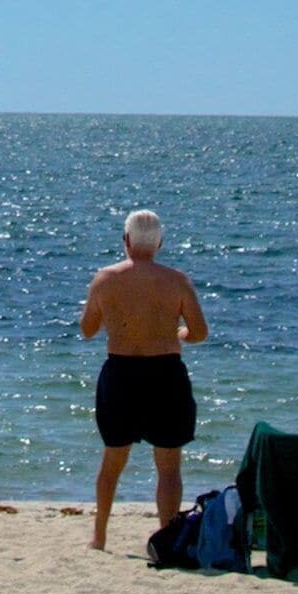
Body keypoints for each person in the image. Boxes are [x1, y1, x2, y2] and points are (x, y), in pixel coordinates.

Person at [78, 207, 207, 550]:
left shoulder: (106, 279)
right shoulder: (177, 280)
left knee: (113, 460)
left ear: (126, 241)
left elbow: (88, 329)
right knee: (168, 465)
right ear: (160, 242)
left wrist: (119, 317)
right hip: (165, 373)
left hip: (121, 374)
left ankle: (99, 536)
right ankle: (166, 537)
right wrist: (178, 333)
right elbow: (200, 332)